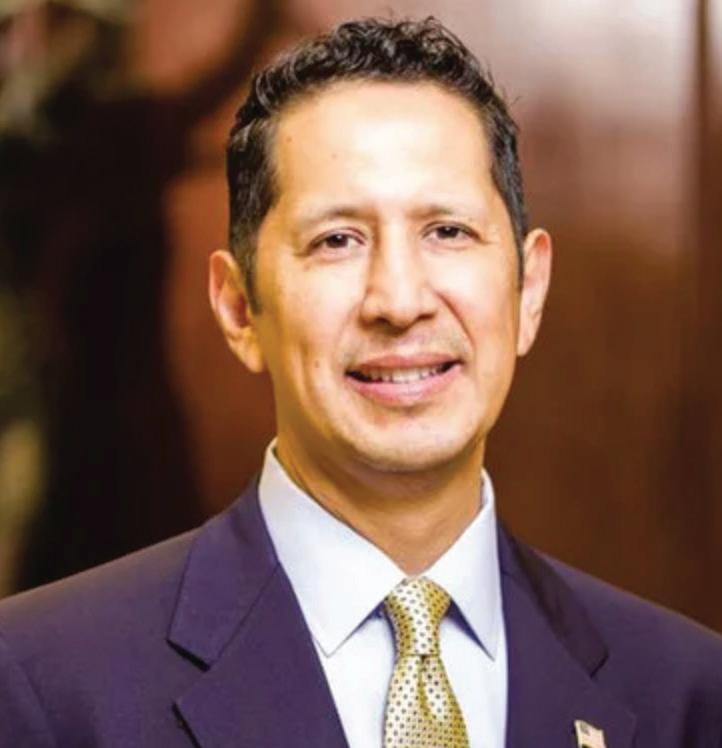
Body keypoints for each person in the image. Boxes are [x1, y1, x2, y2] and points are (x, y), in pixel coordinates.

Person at [1, 16, 721, 748]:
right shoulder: (40, 686)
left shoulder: (689, 695)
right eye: (337, 240)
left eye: (448, 231)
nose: (400, 302)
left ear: (528, 290)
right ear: (240, 307)